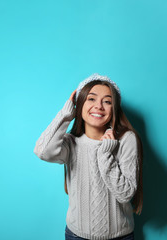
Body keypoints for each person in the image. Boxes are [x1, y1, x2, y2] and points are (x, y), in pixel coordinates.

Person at [34, 73, 143, 240]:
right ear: (79, 104)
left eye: (107, 101)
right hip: (76, 235)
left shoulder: (126, 140)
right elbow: (42, 151)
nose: (99, 106)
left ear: (114, 109)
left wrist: (105, 155)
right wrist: (65, 115)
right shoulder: (71, 143)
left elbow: (126, 194)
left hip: (120, 236)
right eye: (91, 99)